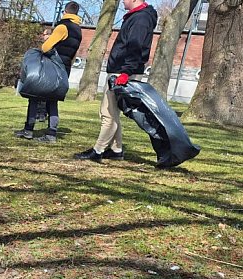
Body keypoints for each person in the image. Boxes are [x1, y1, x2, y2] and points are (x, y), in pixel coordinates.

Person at [75, 0, 157, 161]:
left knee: (108, 113)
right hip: (122, 70)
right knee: (113, 112)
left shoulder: (140, 19)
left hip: (122, 72)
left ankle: (98, 151)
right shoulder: (138, 17)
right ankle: (116, 149)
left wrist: (126, 72)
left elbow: (135, 47)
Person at [14, 2, 83, 143]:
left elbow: (45, 47)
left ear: (65, 12)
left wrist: (47, 40)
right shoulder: (78, 30)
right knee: (53, 101)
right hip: (64, 68)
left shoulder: (63, 27)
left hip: (51, 68)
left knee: (33, 95)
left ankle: (28, 130)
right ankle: (51, 133)